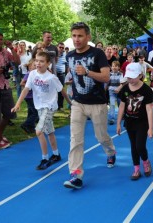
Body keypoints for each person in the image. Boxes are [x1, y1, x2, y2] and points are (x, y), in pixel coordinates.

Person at [63, 22, 116, 189]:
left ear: (88, 37)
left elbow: (106, 77)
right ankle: (76, 175)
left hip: (98, 103)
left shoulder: (98, 53)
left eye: (80, 36)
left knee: (101, 136)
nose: (76, 39)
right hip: (78, 103)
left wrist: (87, 72)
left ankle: (111, 152)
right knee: (76, 140)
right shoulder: (69, 56)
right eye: (74, 36)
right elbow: (72, 75)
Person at [11, 51, 71, 170]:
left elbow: (62, 91)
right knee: (50, 132)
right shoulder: (32, 74)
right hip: (39, 106)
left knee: (38, 131)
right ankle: (56, 154)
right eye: (36, 60)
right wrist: (18, 104)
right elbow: (26, 89)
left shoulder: (52, 77)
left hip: (49, 107)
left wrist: (71, 104)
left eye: (42, 61)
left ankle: (44, 158)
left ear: (48, 63)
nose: (38, 63)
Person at [117, 62, 153, 180]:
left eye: (133, 77)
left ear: (140, 75)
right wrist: (118, 123)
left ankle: (146, 161)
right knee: (133, 146)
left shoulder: (147, 90)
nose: (130, 79)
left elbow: (149, 109)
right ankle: (136, 168)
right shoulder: (125, 88)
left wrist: (151, 128)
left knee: (140, 146)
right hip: (130, 122)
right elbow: (122, 106)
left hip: (142, 122)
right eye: (128, 77)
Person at [20, 59, 38, 134]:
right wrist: (29, 85)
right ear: (30, 67)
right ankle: (26, 124)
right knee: (35, 113)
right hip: (29, 96)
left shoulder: (36, 74)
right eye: (34, 65)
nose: (36, 66)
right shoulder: (29, 74)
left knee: (31, 112)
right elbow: (22, 83)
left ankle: (31, 127)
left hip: (33, 96)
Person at [107, 61, 123, 125]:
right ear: (111, 67)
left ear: (118, 67)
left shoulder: (121, 74)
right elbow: (107, 83)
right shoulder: (109, 74)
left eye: (116, 66)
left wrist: (119, 88)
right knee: (112, 104)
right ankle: (111, 118)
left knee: (120, 105)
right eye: (113, 66)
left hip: (119, 92)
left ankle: (122, 115)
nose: (114, 67)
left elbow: (122, 83)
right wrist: (104, 89)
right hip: (112, 92)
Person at [56, 42, 68, 110]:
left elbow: (67, 65)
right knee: (53, 90)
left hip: (62, 75)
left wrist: (67, 74)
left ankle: (60, 106)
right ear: (57, 47)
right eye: (60, 47)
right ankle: (54, 105)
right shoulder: (54, 54)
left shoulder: (65, 55)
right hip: (54, 74)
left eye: (62, 48)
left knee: (61, 90)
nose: (61, 49)